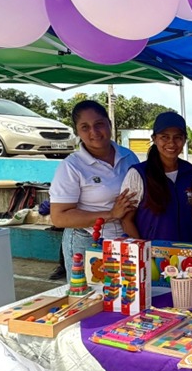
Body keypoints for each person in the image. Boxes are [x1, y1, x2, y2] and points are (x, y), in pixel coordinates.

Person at [50, 100, 139, 279]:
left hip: (125, 238)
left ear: (109, 124)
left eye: (99, 124)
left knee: (125, 292)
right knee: (90, 294)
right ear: (77, 132)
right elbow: (59, 217)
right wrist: (111, 214)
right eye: (85, 127)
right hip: (87, 241)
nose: (94, 132)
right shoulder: (71, 166)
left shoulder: (128, 156)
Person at [120, 112, 192, 241]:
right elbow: (126, 220)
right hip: (153, 252)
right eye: (164, 137)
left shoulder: (189, 171)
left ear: (184, 140)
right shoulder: (139, 173)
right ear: (154, 139)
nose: (171, 143)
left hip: (187, 251)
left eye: (177, 137)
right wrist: (142, 249)